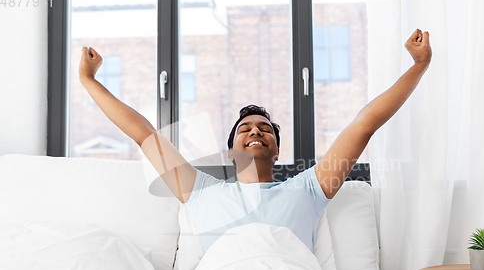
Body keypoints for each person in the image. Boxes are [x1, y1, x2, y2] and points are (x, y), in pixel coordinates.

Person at [79, 29, 432, 254]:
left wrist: (418, 66)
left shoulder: (308, 189)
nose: (255, 131)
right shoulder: (201, 190)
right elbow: (144, 134)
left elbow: (363, 126)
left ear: (277, 150)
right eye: (244, 128)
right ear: (231, 150)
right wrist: (89, 81)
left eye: (265, 129)